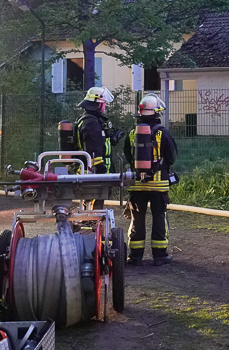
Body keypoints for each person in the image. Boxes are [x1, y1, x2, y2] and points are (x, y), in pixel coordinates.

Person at [123, 93, 178, 266]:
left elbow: (128, 156)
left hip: (136, 184)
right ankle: (160, 255)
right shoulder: (163, 133)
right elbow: (172, 157)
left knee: (137, 219)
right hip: (158, 185)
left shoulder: (132, 133)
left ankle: (135, 256)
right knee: (159, 217)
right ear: (156, 112)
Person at [74, 85, 115, 210]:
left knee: (90, 206)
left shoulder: (88, 120)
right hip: (94, 173)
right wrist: (101, 168)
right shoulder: (91, 122)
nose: (105, 106)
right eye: (104, 103)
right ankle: (91, 222)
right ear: (98, 103)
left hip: (90, 172)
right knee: (94, 209)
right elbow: (92, 149)